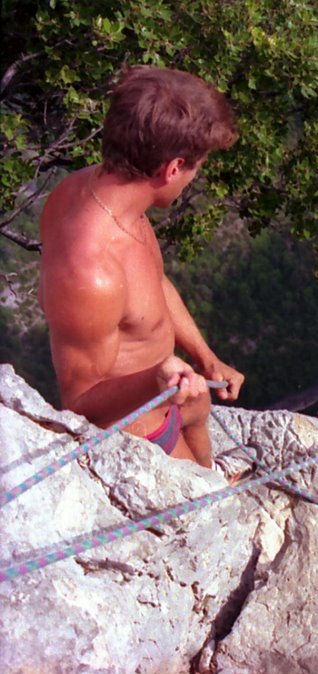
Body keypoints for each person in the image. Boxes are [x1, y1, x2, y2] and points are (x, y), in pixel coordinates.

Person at [37, 66, 244, 469]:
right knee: (212, 511)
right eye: (196, 167)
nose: (193, 178)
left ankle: (212, 475)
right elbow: (79, 403)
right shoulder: (90, 272)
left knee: (212, 475)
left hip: (170, 395)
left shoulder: (106, 194)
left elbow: (150, 282)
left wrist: (205, 357)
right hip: (142, 435)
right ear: (172, 168)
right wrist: (156, 381)